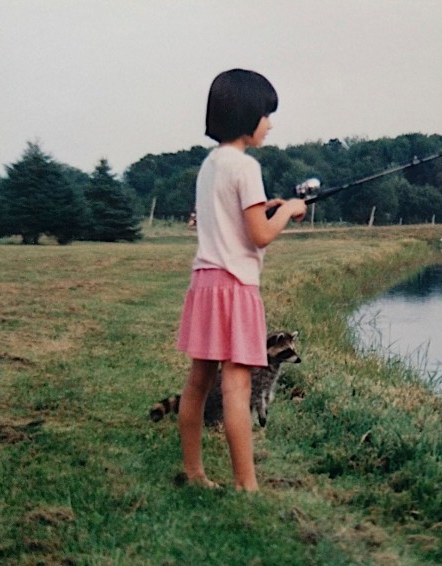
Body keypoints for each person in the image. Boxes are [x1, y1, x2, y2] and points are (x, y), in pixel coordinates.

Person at [176, 69, 307, 491]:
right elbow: (260, 234)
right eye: (267, 115)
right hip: (236, 287)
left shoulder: (210, 164)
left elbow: (226, 218)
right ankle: (246, 484)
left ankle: (195, 473)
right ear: (248, 116)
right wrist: (288, 211)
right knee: (236, 383)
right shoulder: (246, 167)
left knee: (198, 380)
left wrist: (266, 205)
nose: (270, 124)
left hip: (205, 282)